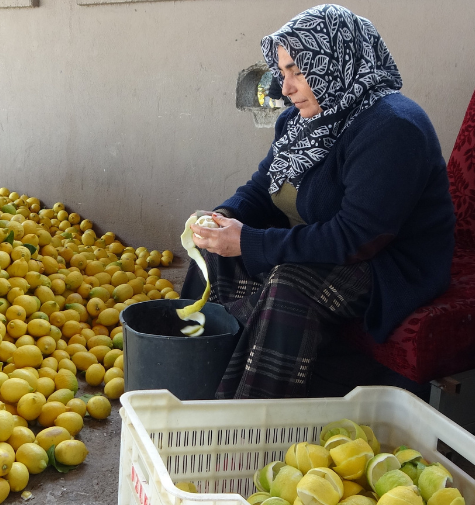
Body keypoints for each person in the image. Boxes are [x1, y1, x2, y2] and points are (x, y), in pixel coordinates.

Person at [180, 4, 456, 400]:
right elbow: (264, 187)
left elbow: (358, 238)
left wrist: (249, 241)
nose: (285, 87)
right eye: (283, 72)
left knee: (287, 283)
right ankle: (193, 382)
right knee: (212, 257)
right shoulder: (302, 120)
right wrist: (223, 217)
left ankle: (252, 423)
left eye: (298, 70)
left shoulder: (393, 127)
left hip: (388, 262)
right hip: (331, 240)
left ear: (336, 60)